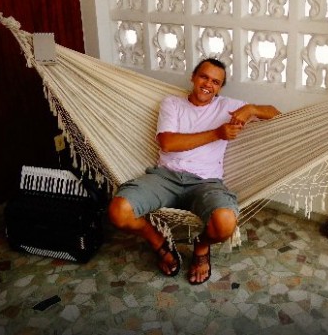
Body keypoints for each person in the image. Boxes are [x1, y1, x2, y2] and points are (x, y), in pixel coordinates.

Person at [108, 58, 280, 284]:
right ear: (193, 77)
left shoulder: (228, 106)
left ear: (220, 87)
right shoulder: (172, 104)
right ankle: (157, 239)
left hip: (206, 182)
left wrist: (251, 108)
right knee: (118, 212)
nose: (208, 84)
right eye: (204, 77)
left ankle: (201, 246)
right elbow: (167, 143)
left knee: (226, 222)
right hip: (165, 177)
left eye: (216, 82)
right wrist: (217, 134)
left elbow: (278, 115)